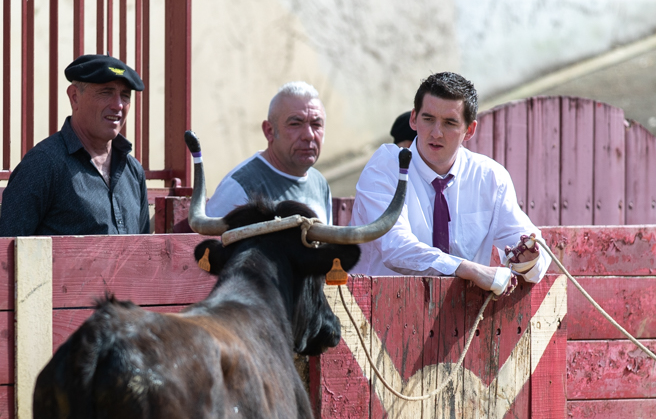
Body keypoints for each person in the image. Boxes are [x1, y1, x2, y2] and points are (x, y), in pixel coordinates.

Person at [350, 72, 550, 292]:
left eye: (449, 123)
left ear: (470, 130)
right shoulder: (386, 167)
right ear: (414, 119)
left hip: (462, 323)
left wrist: (529, 261)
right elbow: (396, 248)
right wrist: (468, 269)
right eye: (428, 119)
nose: (436, 133)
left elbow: (536, 254)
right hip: (371, 317)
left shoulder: (490, 177)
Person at [0, 54, 150, 236]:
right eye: (106, 92)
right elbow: (6, 252)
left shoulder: (133, 171)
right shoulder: (43, 164)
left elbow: (144, 252)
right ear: (74, 97)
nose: (118, 105)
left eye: (125, 96)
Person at [205, 81, 332, 222]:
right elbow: (203, 241)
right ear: (269, 131)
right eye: (295, 124)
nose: (309, 135)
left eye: (316, 124)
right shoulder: (241, 187)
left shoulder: (319, 184)